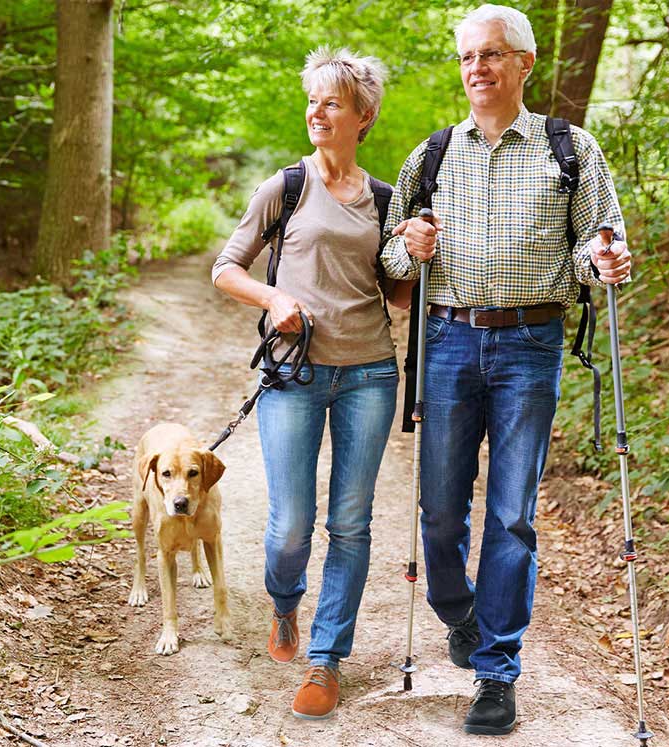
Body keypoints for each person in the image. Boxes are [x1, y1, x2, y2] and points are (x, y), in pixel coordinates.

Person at [380, 4, 633, 736]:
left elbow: (595, 247)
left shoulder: (571, 148)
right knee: (437, 509)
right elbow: (394, 257)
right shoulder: (431, 155)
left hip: (531, 342)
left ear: (524, 63)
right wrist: (411, 244)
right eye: (467, 57)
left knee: (513, 513)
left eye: (492, 54)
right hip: (450, 339)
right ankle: (458, 609)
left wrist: (608, 261)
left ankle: (496, 669)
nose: (477, 68)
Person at [212, 47, 402, 721]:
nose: (317, 112)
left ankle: (327, 658)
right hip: (292, 371)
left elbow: (398, 295)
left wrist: (417, 251)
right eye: (312, 101)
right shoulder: (285, 187)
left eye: (331, 102)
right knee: (292, 522)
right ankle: (285, 601)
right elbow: (225, 269)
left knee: (350, 522)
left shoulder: (383, 199)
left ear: (363, 115)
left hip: (371, 373)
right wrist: (272, 299)